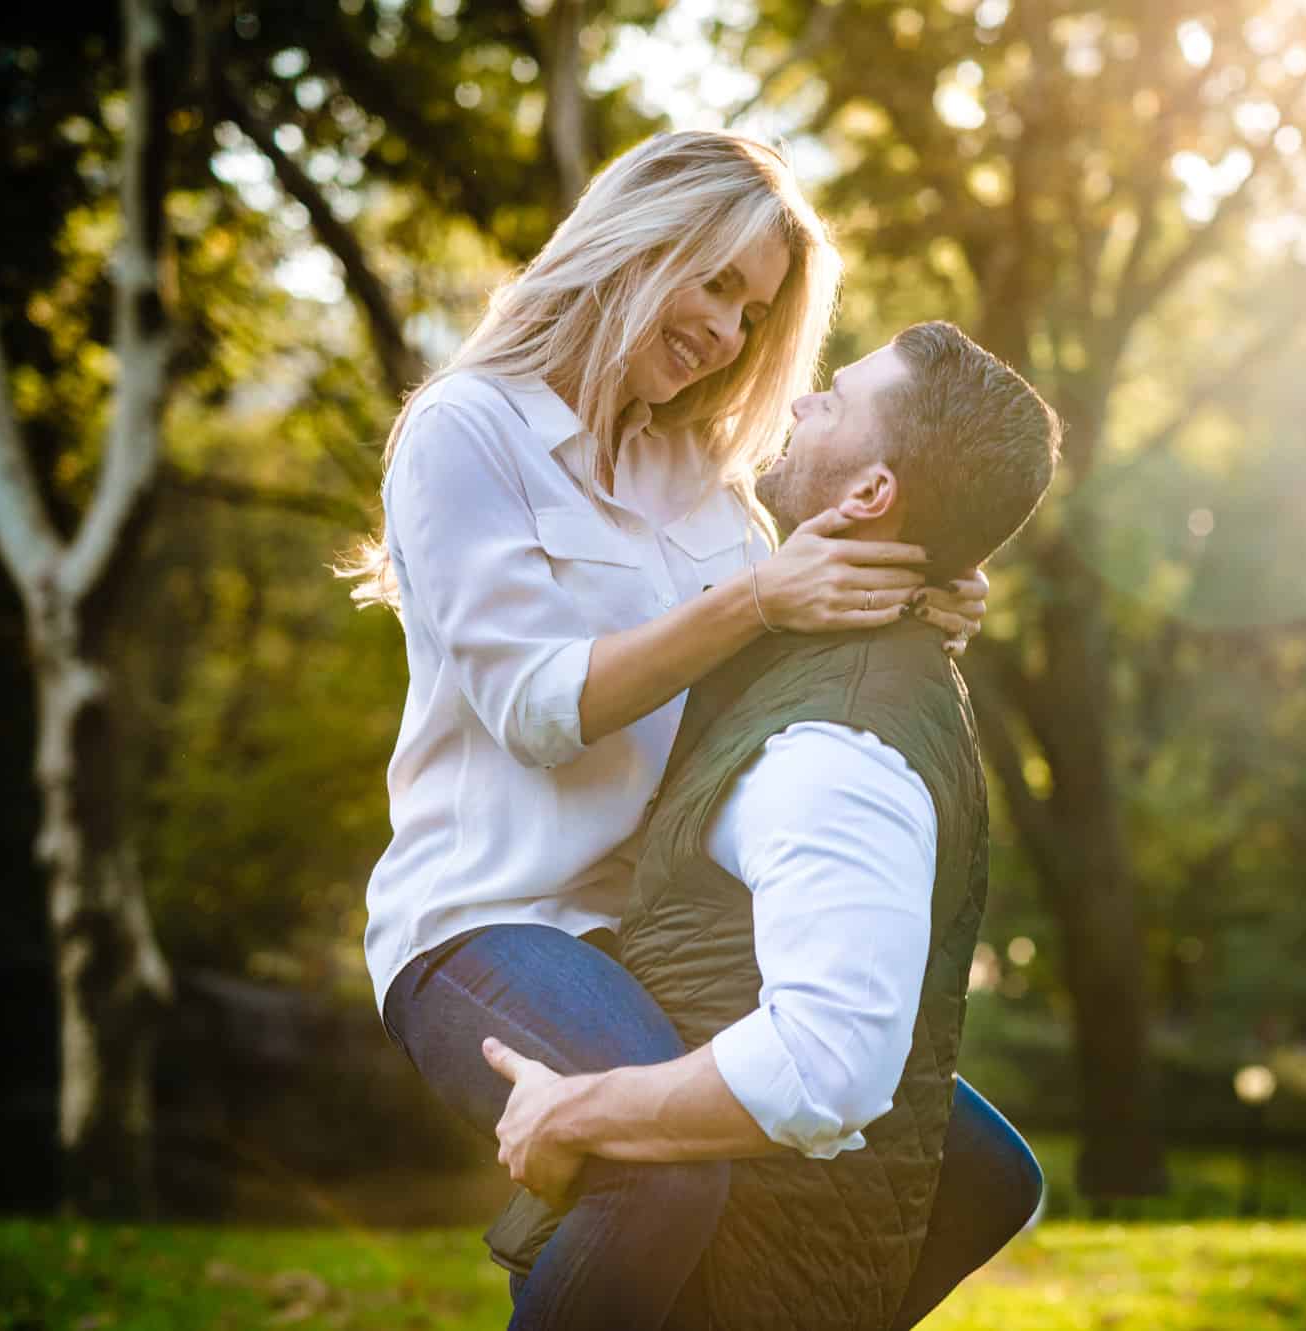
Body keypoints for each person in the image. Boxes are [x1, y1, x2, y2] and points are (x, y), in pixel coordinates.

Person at [346, 133, 1032, 1330]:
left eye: (752, 312)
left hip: (659, 941)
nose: (726, 333)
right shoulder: (467, 432)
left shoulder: (711, 485)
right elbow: (534, 708)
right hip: (489, 922)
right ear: (632, 243)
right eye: (713, 283)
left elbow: (776, 657)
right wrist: (758, 598)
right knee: (660, 1174)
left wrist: (929, 583)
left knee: (977, 1174)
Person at [480, 320, 1060, 1330]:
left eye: (830, 397)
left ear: (871, 494)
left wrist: (571, 1108)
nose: (797, 404)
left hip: (723, 1270)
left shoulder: (837, 745)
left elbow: (826, 1058)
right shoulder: (840, 633)